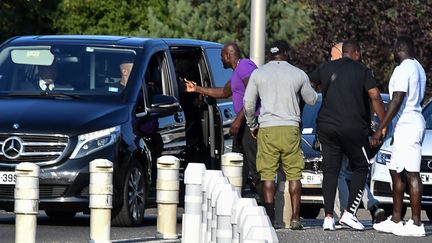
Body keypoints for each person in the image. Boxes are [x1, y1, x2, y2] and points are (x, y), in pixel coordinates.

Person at [308, 40, 385, 231]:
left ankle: (327, 218)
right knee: (361, 167)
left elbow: (308, 84)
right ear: (356, 53)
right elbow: (375, 96)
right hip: (353, 128)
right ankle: (349, 213)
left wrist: (316, 94)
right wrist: (382, 125)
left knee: (330, 171)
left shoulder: (325, 68)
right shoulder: (362, 71)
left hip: (327, 127)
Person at [244, 40, 318, 230]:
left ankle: (269, 218)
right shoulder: (298, 74)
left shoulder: (258, 73)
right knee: (294, 174)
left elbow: (249, 103)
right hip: (290, 128)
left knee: (267, 175)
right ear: (286, 53)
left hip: (267, 128)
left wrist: (252, 124)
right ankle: (295, 218)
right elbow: (311, 100)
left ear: (270, 54)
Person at [184, 42, 260, 196]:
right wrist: (197, 88)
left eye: (221, 56)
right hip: (243, 125)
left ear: (228, 55)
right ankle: (237, 204)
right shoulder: (237, 71)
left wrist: (238, 120)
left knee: (256, 168)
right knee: (237, 168)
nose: (220, 60)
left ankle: (268, 210)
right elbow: (224, 92)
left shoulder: (245, 66)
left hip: (251, 125)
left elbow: (253, 94)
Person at [372, 36, 426, 237]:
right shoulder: (418, 67)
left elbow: (397, 99)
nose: (392, 54)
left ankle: (417, 223)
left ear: (399, 48)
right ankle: (396, 219)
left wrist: (381, 127)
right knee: (395, 170)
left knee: (411, 172)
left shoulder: (404, 68)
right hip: (404, 124)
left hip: (408, 123)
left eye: (393, 50)